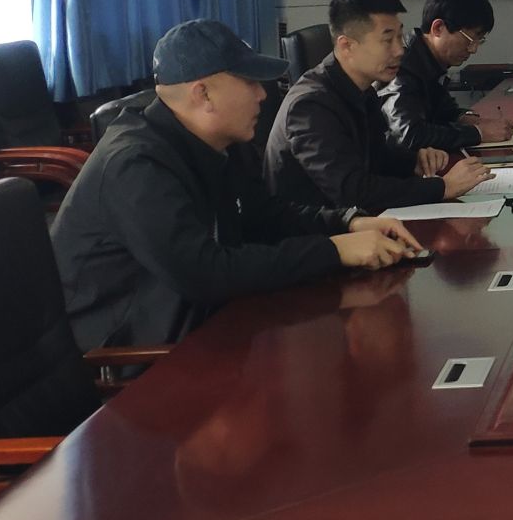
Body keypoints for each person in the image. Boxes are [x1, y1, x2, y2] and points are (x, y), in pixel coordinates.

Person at [53, 19, 421, 350]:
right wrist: (333, 251)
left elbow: (265, 217)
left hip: (206, 327)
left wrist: (348, 223)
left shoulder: (223, 143)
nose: (262, 94)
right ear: (203, 94)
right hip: (131, 362)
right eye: (249, 82)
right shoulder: (135, 164)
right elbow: (204, 273)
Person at [267, 0, 492, 212]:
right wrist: (442, 187)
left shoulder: (363, 90)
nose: (399, 50)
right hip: (318, 230)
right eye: (387, 40)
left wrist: (413, 161)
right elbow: (353, 192)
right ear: (347, 46)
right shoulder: (310, 106)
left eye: (399, 37)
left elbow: (377, 156)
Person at [381, 0, 513, 153]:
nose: (473, 49)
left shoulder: (428, 61)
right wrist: (478, 133)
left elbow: (443, 112)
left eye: (479, 41)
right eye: (470, 40)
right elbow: (408, 135)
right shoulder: (401, 66)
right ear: (438, 28)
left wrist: (466, 119)